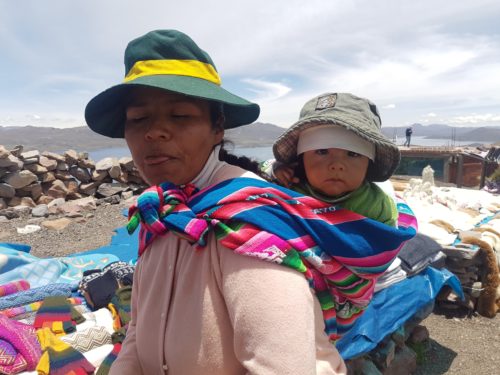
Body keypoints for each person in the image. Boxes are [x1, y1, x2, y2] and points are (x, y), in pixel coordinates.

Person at [84, 29, 348, 374]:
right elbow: (138, 332)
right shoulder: (160, 212)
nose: (154, 132)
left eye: (180, 116)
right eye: (138, 119)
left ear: (217, 127)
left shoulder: (248, 223)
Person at [271, 92, 400, 227]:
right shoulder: (288, 190)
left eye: (353, 154)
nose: (337, 165)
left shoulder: (377, 205)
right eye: (322, 151)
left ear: (369, 162)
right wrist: (276, 172)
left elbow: (388, 242)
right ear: (301, 159)